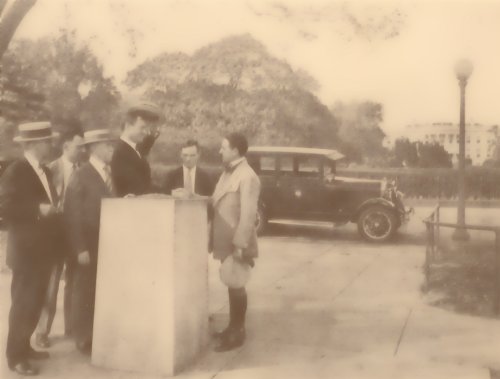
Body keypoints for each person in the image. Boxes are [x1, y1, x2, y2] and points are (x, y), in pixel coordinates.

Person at [0, 122, 61, 376]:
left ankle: (25, 348)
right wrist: (38, 209)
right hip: (25, 252)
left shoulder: (44, 171)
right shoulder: (16, 170)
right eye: (46, 141)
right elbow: (5, 208)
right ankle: (15, 357)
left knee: (35, 303)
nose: (50, 145)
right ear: (34, 144)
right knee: (23, 304)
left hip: (42, 251)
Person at [65, 129, 116, 355]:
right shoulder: (81, 174)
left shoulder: (108, 173)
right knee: (83, 289)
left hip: (105, 242)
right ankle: (82, 337)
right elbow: (72, 214)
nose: (112, 150)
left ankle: (96, 333)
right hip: (88, 242)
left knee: (98, 288)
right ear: (95, 148)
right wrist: (80, 248)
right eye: (108, 146)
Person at [35, 121, 86, 348]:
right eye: (78, 147)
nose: (82, 151)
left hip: (75, 235)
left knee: (74, 282)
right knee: (51, 283)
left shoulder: (84, 171)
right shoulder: (50, 169)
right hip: (54, 236)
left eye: (84, 147)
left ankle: (71, 328)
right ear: (66, 146)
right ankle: (42, 332)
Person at [210, 132, 261, 352]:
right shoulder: (228, 173)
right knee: (232, 284)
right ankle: (232, 327)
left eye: (223, 147)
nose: (220, 151)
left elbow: (249, 215)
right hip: (225, 241)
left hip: (236, 243)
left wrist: (240, 245)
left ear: (235, 150)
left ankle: (238, 333)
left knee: (237, 284)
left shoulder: (247, 176)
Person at [110, 101, 161, 196]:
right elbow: (138, 187)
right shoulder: (119, 153)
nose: (146, 132)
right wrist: (169, 192)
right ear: (128, 126)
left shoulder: (136, 149)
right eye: (142, 128)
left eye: (147, 128)